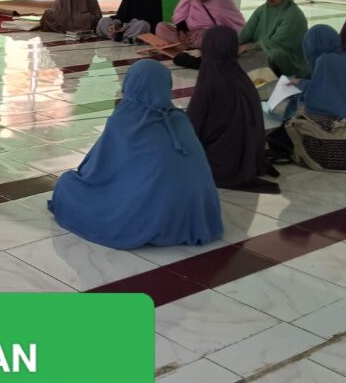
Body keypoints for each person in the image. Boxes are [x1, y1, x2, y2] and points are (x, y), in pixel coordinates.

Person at [48, 59, 223, 249]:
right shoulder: (180, 119)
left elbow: (98, 170)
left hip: (152, 215)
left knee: (68, 185)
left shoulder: (126, 119)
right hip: (196, 214)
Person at [272, 25, 346, 167]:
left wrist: (299, 93)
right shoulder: (342, 60)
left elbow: (320, 102)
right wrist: (302, 84)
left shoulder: (326, 61)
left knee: (287, 131)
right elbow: (333, 92)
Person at [187, 27, 278, 193]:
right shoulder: (242, 78)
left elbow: (192, 129)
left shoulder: (210, 81)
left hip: (220, 162)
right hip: (250, 158)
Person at [238, 0, 310, 78]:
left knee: (272, 55)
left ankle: (255, 77)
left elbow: (278, 42)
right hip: (260, 47)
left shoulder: (294, 16)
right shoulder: (262, 9)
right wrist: (236, 44)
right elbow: (247, 31)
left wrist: (250, 47)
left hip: (286, 55)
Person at [155, 0, 245, 50]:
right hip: (188, 33)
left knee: (214, 37)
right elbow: (179, 15)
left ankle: (185, 46)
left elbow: (232, 22)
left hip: (206, 35)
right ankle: (182, 44)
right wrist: (181, 32)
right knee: (161, 27)